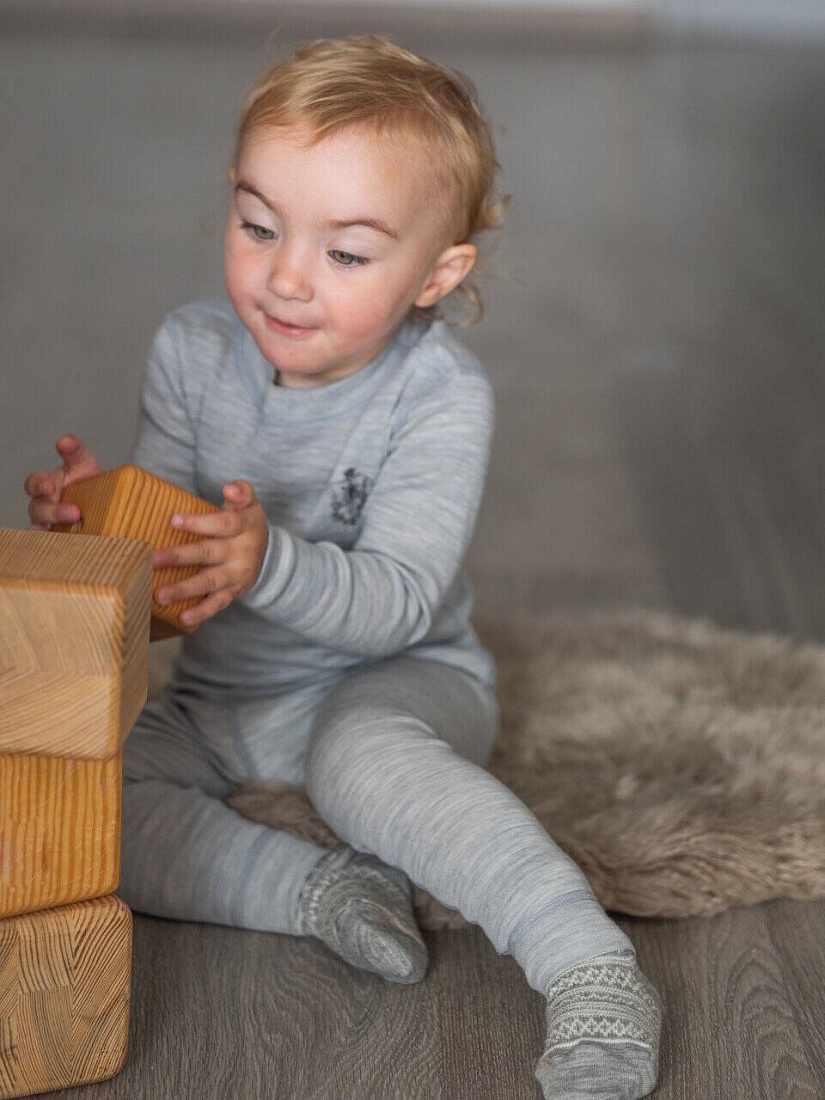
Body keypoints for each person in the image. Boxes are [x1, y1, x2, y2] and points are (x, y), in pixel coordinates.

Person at [24, 33, 661, 1098]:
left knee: (359, 763)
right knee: (76, 800)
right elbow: (170, 581)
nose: (284, 275)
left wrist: (269, 561)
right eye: (258, 224)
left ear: (435, 275)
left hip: (397, 677)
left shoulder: (440, 396)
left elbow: (401, 601)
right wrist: (97, 528)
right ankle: (318, 891)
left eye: (348, 254)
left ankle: (587, 962)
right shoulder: (190, 350)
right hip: (224, 696)